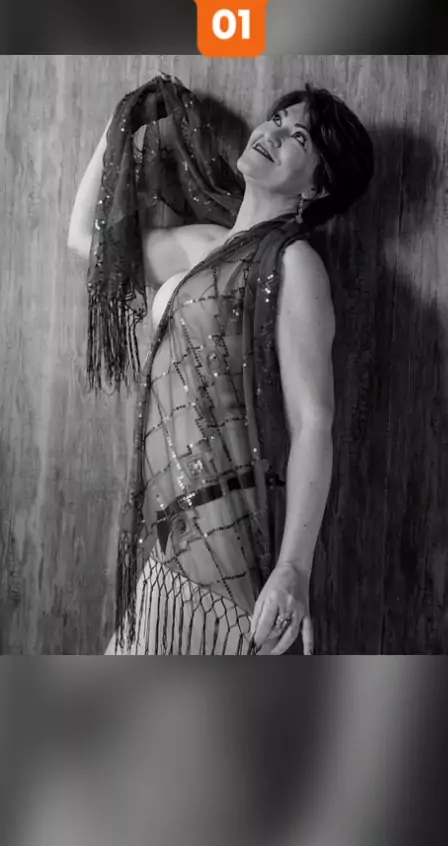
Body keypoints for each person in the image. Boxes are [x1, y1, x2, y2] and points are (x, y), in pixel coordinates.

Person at [68, 73, 374, 654]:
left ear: (317, 187)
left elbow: (314, 421)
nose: (274, 133)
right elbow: (85, 239)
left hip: (227, 547)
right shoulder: (201, 244)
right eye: (278, 119)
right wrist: (121, 122)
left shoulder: (293, 263)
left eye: (299, 138)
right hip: (165, 541)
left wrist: (294, 570)